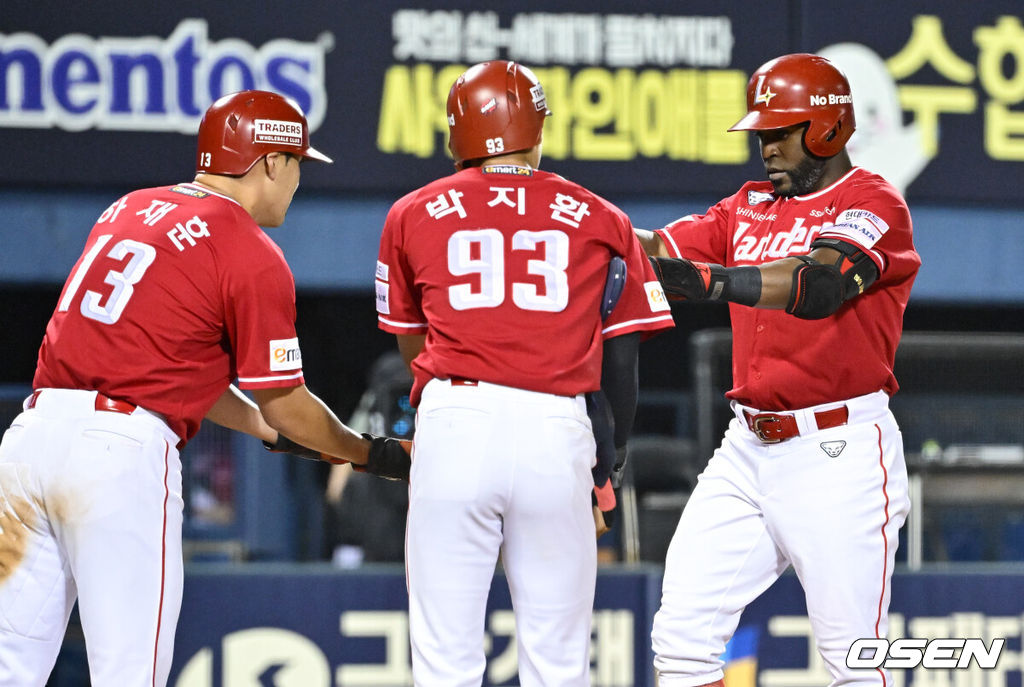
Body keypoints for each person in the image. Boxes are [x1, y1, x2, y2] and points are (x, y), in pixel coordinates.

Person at [0, 90, 408, 687]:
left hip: (29, 444)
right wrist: (373, 452)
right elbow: (287, 402)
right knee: (129, 673)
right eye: (295, 162)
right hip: (118, 454)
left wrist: (266, 430)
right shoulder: (249, 249)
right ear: (270, 161)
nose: (297, 179)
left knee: (10, 663)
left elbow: (171, 368)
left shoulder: (129, 208)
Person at [375, 60, 674, 685]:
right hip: (554, 428)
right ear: (537, 130)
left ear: (456, 133)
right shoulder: (602, 216)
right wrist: (606, 464)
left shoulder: (410, 212)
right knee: (558, 661)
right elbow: (622, 363)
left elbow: (412, 343)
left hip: (455, 419)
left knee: (443, 660)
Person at [637, 53, 921, 686]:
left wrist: (710, 282)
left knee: (854, 661)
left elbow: (819, 285)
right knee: (681, 639)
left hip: (837, 450)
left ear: (824, 128)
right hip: (748, 446)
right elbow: (660, 248)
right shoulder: (749, 204)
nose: (764, 146)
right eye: (762, 132)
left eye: (779, 131)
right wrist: (589, 231)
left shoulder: (873, 202)